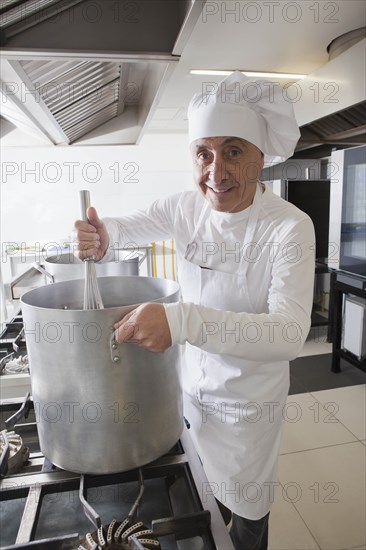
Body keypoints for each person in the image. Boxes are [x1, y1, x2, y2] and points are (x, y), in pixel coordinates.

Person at [75, 71, 315, 550]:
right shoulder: (186, 208)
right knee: (197, 517)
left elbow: (288, 333)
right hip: (190, 402)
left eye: (233, 151)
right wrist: (100, 238)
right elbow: (128, 227)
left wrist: (180, 320)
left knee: (244, 527)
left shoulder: (290, 228)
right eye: (203, 153)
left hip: (247, 411)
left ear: (260, 157)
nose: (216, 171)